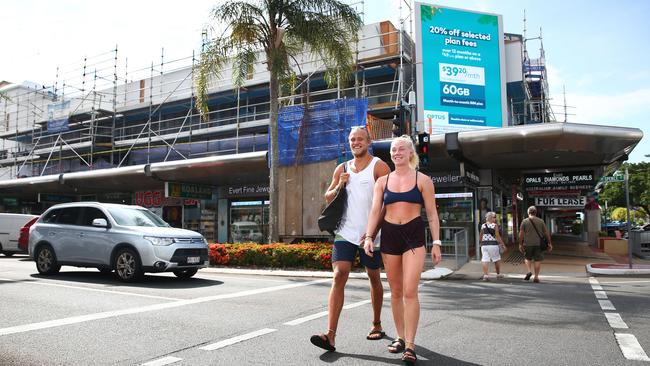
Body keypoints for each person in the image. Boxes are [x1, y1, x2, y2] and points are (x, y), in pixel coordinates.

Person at [310, 126, 391, 352]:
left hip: (371, 234)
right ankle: (330, 335)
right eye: (352, 140)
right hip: (345, 232)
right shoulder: (342, 168)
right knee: (339, 275)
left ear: (369, 141)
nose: (356, 143)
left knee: (373, 276)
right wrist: (339, 185)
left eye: (360, 139)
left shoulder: (379, 166)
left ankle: (377, 324)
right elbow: (328, 196)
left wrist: (373, 232)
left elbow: (388, 201)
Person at [363, 135, 441, 365]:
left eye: (401, 150)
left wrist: (436, 243)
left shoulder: (423, 180)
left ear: (410, 154)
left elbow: (432, 214)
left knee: (409, 291)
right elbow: (375, 211)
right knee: (395, 292)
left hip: (413, 236)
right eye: (393, 150)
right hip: (389, 236)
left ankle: (410, 345)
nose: (396, 153)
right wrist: (369, 237)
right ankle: (400, 336)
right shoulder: (382, 182)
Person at [518, 205, 553, 283]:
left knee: (527, 258)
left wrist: (520, 244)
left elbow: (521, 233)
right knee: (537, 260)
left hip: (528, 244)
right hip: (539, 244)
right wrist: (549, 243)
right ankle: (536, 277)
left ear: (528, 212)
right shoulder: (541, 221)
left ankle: (529, 271)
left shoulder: (525, 221)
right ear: (536, 213)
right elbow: (546, 233)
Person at [480, 211, 507, 281]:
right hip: (493, 245)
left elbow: (481, 235)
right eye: (494, 217)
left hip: (484, 245)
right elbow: (497, 236)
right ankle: (498, 274)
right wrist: (503, 245)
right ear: (491, 218)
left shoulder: (483, 225)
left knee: (485, 259)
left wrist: (481, 242)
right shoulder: (495, 225)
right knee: (496, 259)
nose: (495, 219)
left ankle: (486, 275)